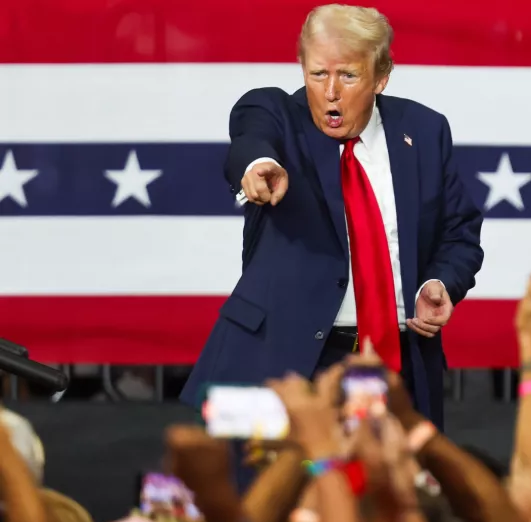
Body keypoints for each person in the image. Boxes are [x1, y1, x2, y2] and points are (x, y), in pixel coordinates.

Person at [179, 4, 485, 432]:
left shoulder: (425, 130)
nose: (330, 92)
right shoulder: (277, 114)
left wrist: (438, 282)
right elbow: (251, 138)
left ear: (381, 76)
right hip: (285, 365)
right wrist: (258, 165)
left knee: (391, 498)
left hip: (397, 365)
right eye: (318, 74)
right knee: (270, 499)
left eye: (348, 75)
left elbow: (460, 234)